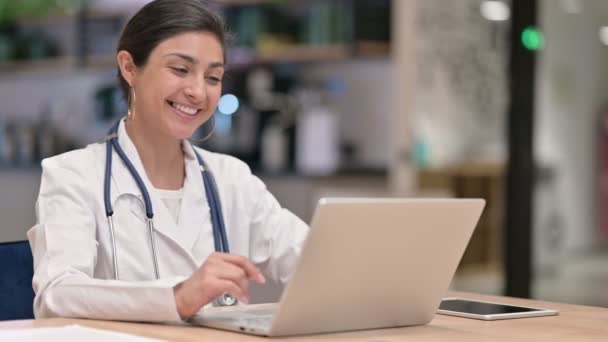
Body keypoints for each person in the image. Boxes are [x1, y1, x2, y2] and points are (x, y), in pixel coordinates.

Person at [27, 0, 308, 322]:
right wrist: (177, 297)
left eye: (213, 77)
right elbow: (56, 295)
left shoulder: (232, 178)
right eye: (180, 69)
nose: (199, 92)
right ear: (129, 67)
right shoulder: (73, 175)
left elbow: (314, 261)